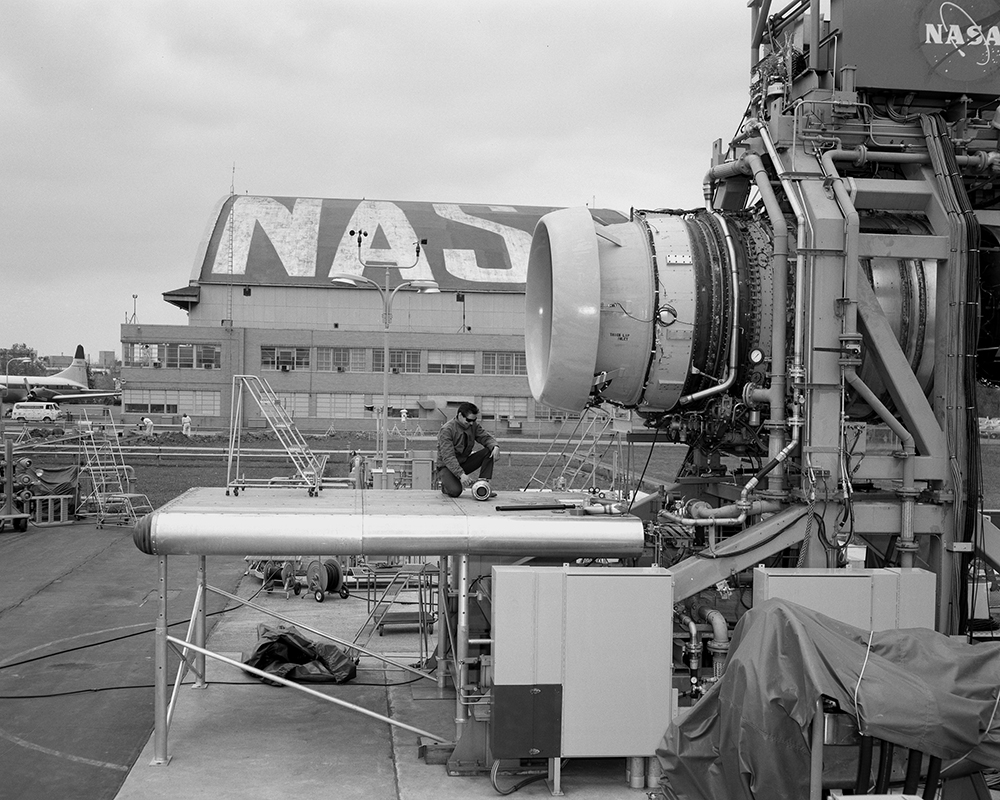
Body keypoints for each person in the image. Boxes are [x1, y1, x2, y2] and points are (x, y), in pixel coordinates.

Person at [437, 402, 499, 498]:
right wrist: (461, 474)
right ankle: (446, 486)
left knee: (489, 450)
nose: (471, 423)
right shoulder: (447, 430)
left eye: (474, 420)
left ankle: (483, 486)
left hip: (463, 462)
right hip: (447, 466)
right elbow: (448, 457)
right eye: (469, 420)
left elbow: (485, 437)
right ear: (460, 415)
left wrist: (495, 446)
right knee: (455, 492)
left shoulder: (473, 425)